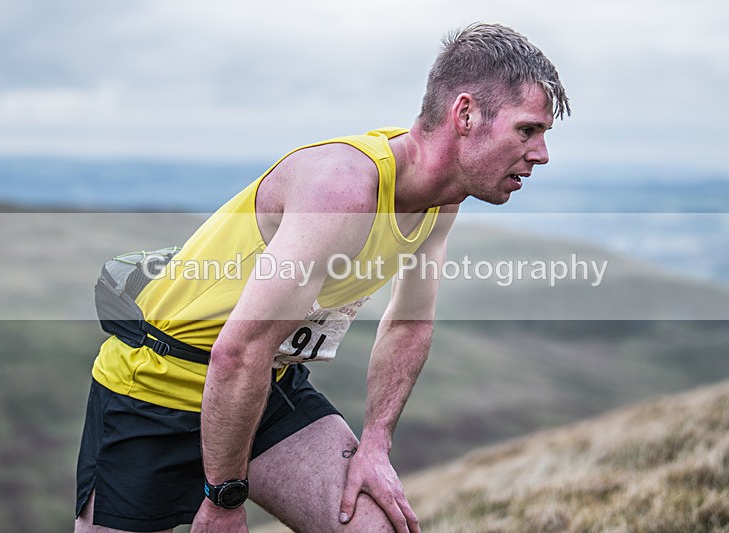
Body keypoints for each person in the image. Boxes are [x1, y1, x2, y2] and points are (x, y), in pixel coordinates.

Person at [74, 22, 570, 533]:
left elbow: (408, 324)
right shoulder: (343, 190)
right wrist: (224, 501)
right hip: (157, 388)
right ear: (465, 114)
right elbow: (237, 350)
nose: (541, 154)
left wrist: (375, 444)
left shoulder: (441, 200)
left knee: (376, 527)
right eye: (527, 130)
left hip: (264, 387)